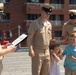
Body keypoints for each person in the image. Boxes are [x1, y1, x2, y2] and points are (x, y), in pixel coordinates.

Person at [27, 3, 55, 75]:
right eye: (47, 13)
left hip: (47, 51)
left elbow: (50, 38)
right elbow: (30, 37)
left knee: (46, 72)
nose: (48, 15)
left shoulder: (49, 24)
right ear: (42, 11)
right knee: (36, 72)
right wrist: (31, 49)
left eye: (49, 14)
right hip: (37, 51)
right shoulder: (35, 23)